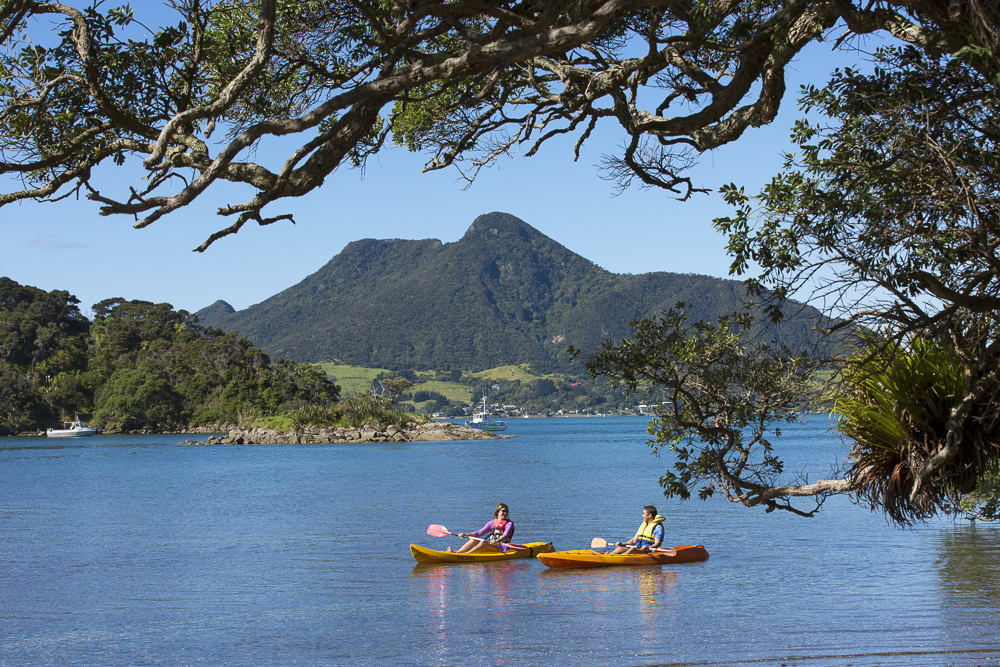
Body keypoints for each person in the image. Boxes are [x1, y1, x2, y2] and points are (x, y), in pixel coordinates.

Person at [447, 503, 515, 553]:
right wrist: (466, 535)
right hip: (492, 545)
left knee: (483, 543)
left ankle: (467, 555)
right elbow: (479, 533)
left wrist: (497, 541)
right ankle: (457, 553)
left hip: (502, 547)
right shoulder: (491, 523)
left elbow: (505, 536)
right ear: (497, 512)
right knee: (473, 540)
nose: (505, 513)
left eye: (506, 511)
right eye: (503, 511)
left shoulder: (509, 524)